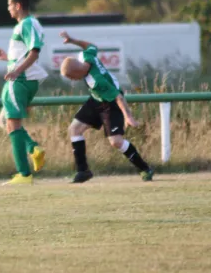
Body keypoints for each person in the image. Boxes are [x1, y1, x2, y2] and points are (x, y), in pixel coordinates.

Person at [58, 31, 154, 183]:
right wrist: (72, 40)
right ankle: (83, 171)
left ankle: (145, 168)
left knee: (116, 142)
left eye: (70, 77)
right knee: (74, 129)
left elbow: (119, 97)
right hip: (96, 99)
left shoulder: (97, 81)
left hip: (111, 104)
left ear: (77, 72)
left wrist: (128, 117)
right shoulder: (85, 57)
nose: (72, 80)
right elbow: (91, 46)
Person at [0, 0, 48, 185]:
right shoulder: (27, 25)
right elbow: (24, 54)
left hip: (20, 80)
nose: (8, 8)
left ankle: (24, 174)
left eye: (9, 5)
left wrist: (16, 71)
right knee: (3, 121)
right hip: (24, 79)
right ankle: (33, 149)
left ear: (18, 6)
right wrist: (6, 58)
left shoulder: (27, 24)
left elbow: (34, 53)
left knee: (12, 124)